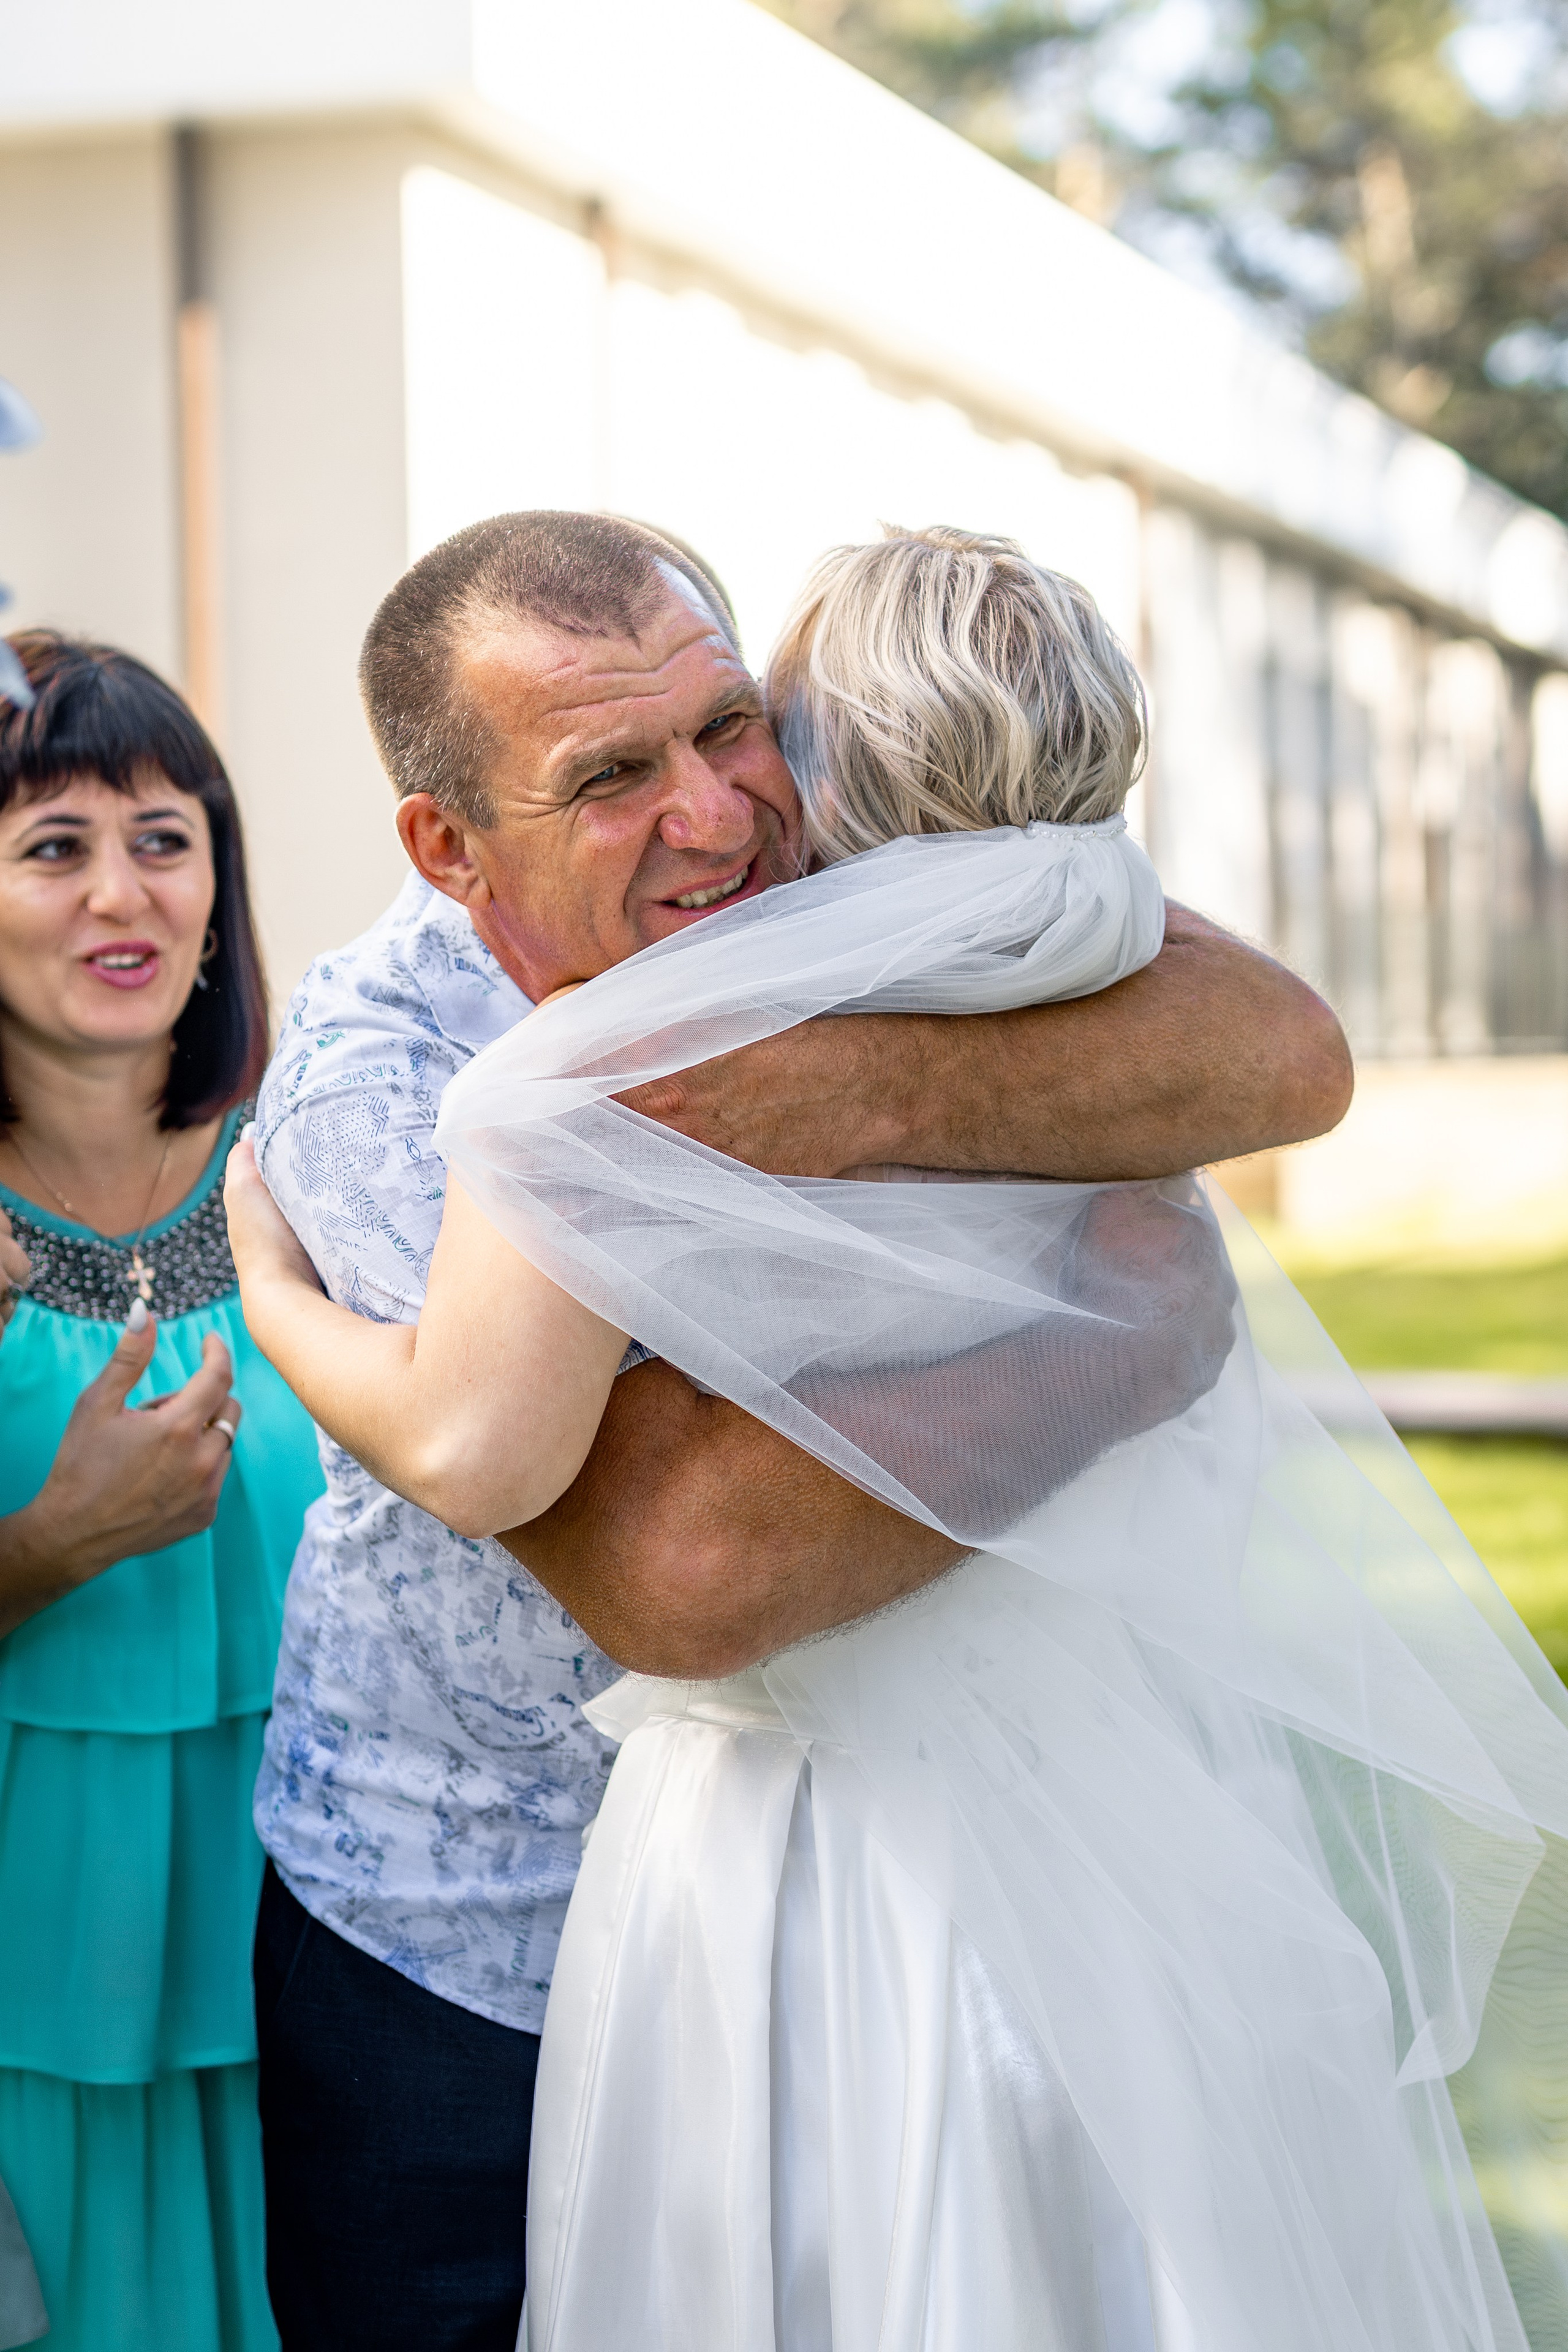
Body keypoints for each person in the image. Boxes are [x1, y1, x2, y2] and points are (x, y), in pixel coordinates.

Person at [232, 528, 1568, 2352]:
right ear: (450, 847)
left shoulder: (823, 910)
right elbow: (683, 1569)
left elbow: (1283, 1047)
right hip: (480, 1938)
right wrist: (1118, 1340)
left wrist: (831, 1086)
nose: (713, 815)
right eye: (615, 777)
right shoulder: (402, 1083)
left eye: (728, 727)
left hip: (910, 1864)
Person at [0, 633, 325, 2352]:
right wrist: (50, 1550)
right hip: (21, 2014)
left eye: (164, 835)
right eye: (53, 846)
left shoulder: (329, 1174)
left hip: (326, 1997)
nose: (119, 891)